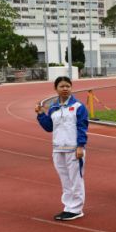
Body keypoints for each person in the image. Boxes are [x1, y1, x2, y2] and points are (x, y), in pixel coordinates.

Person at [36, 76, 88, 221]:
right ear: (56, 89)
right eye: (62, 86)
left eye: (67, 86)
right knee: (65, 180)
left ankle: (76, 209)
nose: (65, 89)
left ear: (71, 88)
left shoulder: (78, 106)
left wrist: (80, 146)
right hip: (58, 149)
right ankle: (68, 207)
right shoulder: (53, 108)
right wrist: (41, 115)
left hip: (74, 149)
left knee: (75, 179)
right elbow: (49, 127)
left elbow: (82, 127)